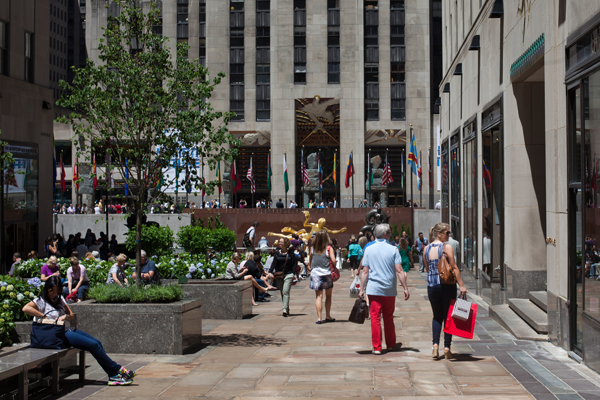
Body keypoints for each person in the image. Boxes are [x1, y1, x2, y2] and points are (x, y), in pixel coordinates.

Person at [22, 276, 136, 386]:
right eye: (51, 290)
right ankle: (116, 371)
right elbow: (26, 308)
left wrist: (65, 317)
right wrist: (44, 316)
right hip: (57, 335)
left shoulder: (59, 298)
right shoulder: (41, 300)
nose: (54, 293)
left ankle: (113, 374)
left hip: (67, 329)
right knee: (93, 345)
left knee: (97, 343)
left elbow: (71, 315)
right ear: (47, 288)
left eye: (57, 290)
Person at [359, 224, 410, 354]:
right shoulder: (393, 249)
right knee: (388, 317)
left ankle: (377, 347)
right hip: (389, 289)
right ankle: (391, 344)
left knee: (375, 318)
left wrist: (361, 289)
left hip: (374, 289)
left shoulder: (369, 250)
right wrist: (405, 287)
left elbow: (365, 271)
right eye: (390, 231)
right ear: (386, 234)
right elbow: (399, 270)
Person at [423, 222, 467, 360]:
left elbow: (427, 269)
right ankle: (447, 348)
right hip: (447, 285)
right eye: (447, 233)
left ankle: (435, 346)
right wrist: (461, 285)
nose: (449, 235)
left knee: (437, 316)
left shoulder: (426, 248)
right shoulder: (446, 247)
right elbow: (454, 267)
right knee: (448, 316)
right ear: (439, 234)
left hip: (432, 286)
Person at [309, 231, 335, 324]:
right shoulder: (329, 248)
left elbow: (310, 261)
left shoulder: (312, 248)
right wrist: (334, 266)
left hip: (315, 274)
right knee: (328, 295)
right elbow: (334, 260)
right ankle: (328, 316)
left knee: (318, 296)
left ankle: (319, 318)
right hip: (326, 273)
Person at [269, 237, 297, 317]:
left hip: (289, 274)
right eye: (279, 242)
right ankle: (287, 309)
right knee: (282, 292)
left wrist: (293, 273)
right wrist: (270, 272)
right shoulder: (277, 253)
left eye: (281, 242)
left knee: (285, 291)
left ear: (285, 243)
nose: (279, 243)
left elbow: (294, 263)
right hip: (279, 275)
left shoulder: (291, 253)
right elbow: (274, 263)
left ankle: (284, 309)